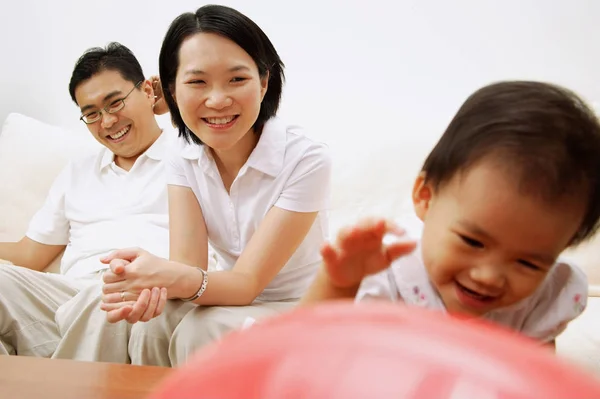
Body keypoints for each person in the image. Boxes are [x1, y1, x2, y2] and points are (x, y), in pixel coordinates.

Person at [98, 4, 332, 366]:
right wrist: (144, 279)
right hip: (229, 297)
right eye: (197, 82)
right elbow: (188, 267)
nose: (218, 99)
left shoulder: (306, 159)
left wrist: (166, 274)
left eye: (237, 79)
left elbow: (246, 283)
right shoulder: (182, 156)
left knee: (198, 331)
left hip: (299, 308)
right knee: (150, 324)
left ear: (264, 81)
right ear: (172, 90)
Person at [301, 81, 600, 347]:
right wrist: (337, 284)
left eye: (528, 263)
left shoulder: (542, 301)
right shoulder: (384, 272)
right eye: (473, 242)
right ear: (425, 197)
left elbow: (535, 383)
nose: (489, 277)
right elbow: (303, 346)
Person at [0, 42, 180, 359]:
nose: (108, 121)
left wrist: (177, 98)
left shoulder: (193, 156)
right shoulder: (77, 172)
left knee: (112, 294)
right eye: (92, 113)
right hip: (70, 297)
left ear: (150, 92)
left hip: (148, 293)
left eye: (116, 103)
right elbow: (29, 254)